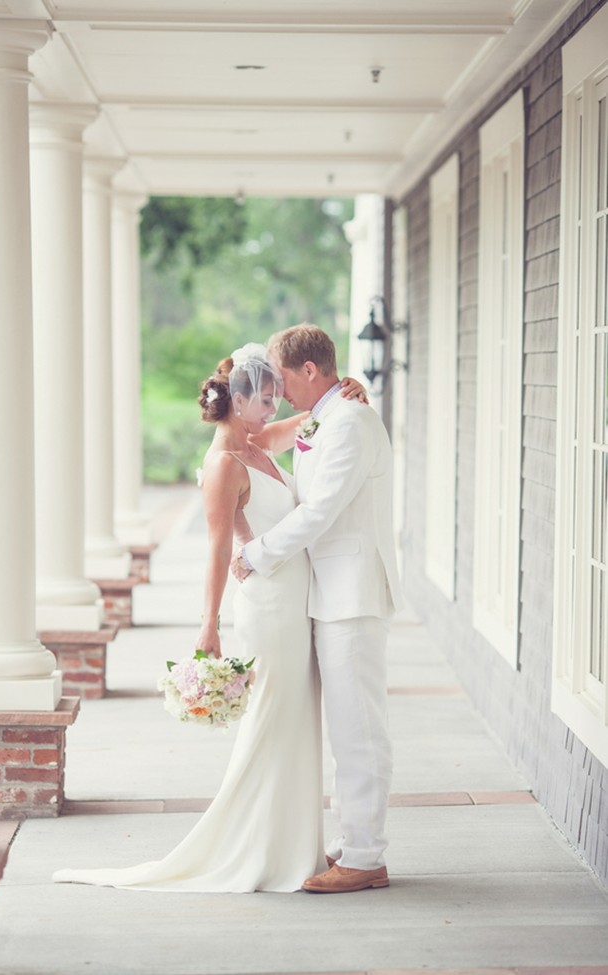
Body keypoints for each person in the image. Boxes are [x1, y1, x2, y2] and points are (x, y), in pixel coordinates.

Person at [53, 342, 367, 893]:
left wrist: (349, 391)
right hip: (267, 605)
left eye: (275, 397)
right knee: (272, 720)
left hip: (298, 601)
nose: (274, 407)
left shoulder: (260, 441)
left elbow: (312, 418)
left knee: (295, 720)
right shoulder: (223, 465)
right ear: (239, 400)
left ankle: (293, 845)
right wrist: (209, 624)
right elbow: (219, 550)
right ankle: (256, 848)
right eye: (265, 398)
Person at [231, 324, 403, 895]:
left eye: (282, 379)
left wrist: (256, 554)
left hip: (352, 594)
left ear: (310, 371)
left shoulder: (350, 421)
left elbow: (320, 511)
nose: (278, 391)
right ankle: (355, 840)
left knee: (359, 730)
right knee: (346, 728)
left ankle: (365, 856)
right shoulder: (327, 414)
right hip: (328, 594)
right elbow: (267, 440)